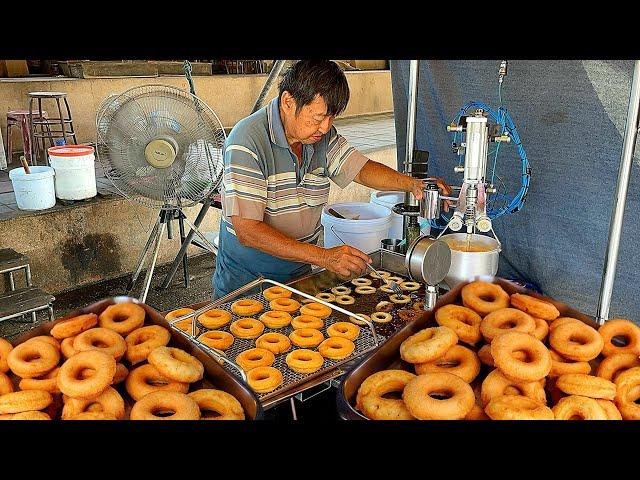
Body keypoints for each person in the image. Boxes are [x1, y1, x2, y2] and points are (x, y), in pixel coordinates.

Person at [212, 60, 450, 299]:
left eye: (331, 118)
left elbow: (361, 170)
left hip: (298, 274)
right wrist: (324, 257)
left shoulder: (318, 138)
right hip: (247, 282)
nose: (325, 128)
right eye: (317, 118)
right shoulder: (247, 142)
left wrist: (412, 184)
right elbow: (247, 230)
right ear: (288, 102)